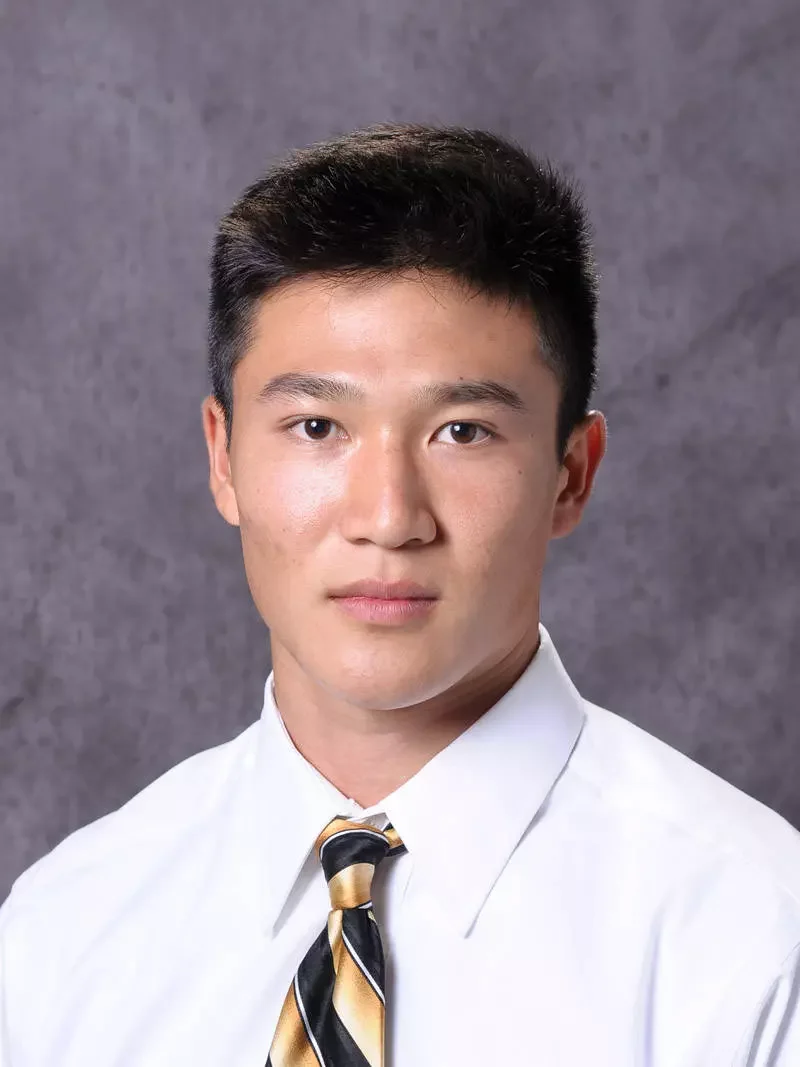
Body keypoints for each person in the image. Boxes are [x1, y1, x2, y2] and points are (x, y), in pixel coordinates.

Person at [1, 122, 798, 1067]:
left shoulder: (754, 940)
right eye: (315, 425)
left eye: (461, 431)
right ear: (222, 457)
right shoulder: (62, 930)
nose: (388, 516)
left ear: (571, 475)